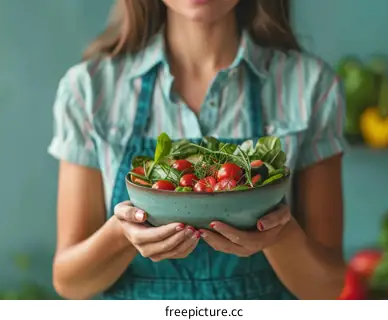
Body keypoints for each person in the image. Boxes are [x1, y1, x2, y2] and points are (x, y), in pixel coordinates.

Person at [47, 0, 348, 300]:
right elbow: (71, 284)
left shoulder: (311, 88)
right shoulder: (89, 90)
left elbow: (326, 289)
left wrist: (279, 235)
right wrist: (121, 236)